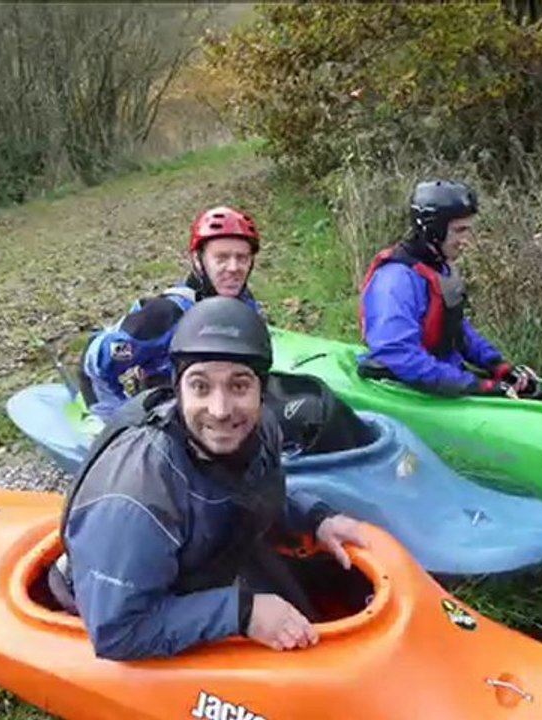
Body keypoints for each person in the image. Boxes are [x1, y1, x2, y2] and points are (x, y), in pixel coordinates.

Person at [54, 296, 368, 661]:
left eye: (239, 386)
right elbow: (116, 631)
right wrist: (243, 613)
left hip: (203, 562)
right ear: (178, 389)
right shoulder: (138, 495)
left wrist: (316, 518)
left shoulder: (260, 426)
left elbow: (257, 488)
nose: (220, 411)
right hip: (122, 603)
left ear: (261, 390)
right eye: (200, 387)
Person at [79, 206, 263, 419]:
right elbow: (93, 367)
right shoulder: (164, 315)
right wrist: (121, 426)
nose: (233, 268)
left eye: (242, 258)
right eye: (221, 258)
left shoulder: (245, 305)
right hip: (170, 422)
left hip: (227, 414)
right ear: (197, 260)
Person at [358, 179, 537, 397]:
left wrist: (496, 365)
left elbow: (456, 329)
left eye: (468, 230)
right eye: (459, 231)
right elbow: (396, 352)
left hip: (441, 376)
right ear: (433, 230)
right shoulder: (395, 280)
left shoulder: (438, 268)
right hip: (409, 388)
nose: (466, 241)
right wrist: (473, 386)